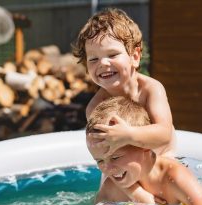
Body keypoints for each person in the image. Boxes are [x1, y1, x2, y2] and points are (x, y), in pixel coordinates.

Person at [86, 96, 202, 205]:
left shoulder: (174, 177)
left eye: (115, 157)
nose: (107, 169)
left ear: (145, 145)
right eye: (99, 161)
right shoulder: (110, 189)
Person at [73, 8, 176, 158]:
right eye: (93, 59)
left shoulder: (150, 89)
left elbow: (164, 134)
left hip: (163, 160)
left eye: (113, 54)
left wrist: (128, 134)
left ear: (135, 57)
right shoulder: (95, 107)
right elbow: (103, 152)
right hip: (126, 166)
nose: (103, 63)